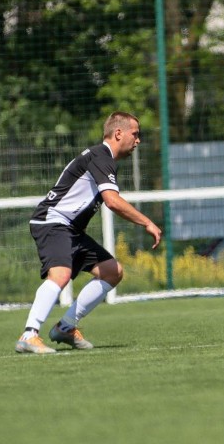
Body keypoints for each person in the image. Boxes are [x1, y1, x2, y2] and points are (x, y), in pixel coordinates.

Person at [15, 112, 163, 354]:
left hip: (70, 229)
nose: (138, 140)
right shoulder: (100, 156)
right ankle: (29, 334)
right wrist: (147, 222)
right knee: (60, 274)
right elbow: (112, 201)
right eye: (135, 134)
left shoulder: (104, 159)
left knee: (112, 271)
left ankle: (66, 327)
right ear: (118, 133)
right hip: (52, 222)